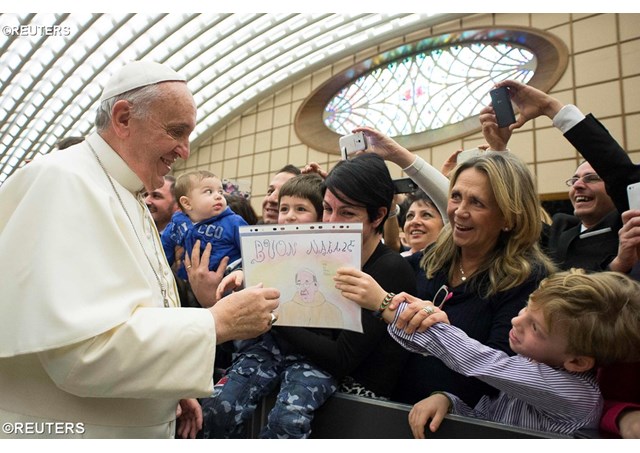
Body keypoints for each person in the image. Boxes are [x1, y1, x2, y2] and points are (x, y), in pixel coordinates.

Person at [0, 60, 280, 439]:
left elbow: (136, 312)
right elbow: (83, 354)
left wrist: (168, 388)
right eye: (176, 132)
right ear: (123, 118)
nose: (185, 151)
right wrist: (215, 323)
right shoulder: (64, 182)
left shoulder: (125, 191)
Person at [336, 138, 555, 406]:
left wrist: (450, 399)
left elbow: (502, 367)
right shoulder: (429, 259)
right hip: (392, 408)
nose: (459, 212)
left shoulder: (528, 279)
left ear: (508, 217)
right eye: (455, 197)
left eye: (477, 203)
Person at [355, 268, 640, 437]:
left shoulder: (575, 395)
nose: (517, 321)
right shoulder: (536, 360)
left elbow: (484, 362)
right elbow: (491, 419)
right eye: (527, 308)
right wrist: (451, 403)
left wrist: (387, 305)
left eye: (535, 327)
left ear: (577, 361)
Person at [201, 170, 341, 439]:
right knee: (218, 405)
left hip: (313, 357)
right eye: (284, 208)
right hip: (266, 348)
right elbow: (246, 269)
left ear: (322, 214)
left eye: (301, 209)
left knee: (287, 419)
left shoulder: (335, 255)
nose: (289, 215)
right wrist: (241, 274)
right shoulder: (268, 246)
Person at [479, 79, 640, 271]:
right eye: (574, 180)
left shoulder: (629, 228)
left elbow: (617, 170)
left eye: (591, 178)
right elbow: (512, 218)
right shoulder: (558, 232)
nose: (578, 185)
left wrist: (550, 108)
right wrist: (498, 149)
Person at [279, 268, 344, 328]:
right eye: (299, 284)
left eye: (306, 283)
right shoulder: (284, 309)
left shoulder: (334, 311)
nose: (302, 288)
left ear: (316, 285)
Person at [400, 190, 444, 257]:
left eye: (426, 215)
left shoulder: (456, 264)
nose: (414, 221)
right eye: (410, 216)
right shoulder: (394, 263)